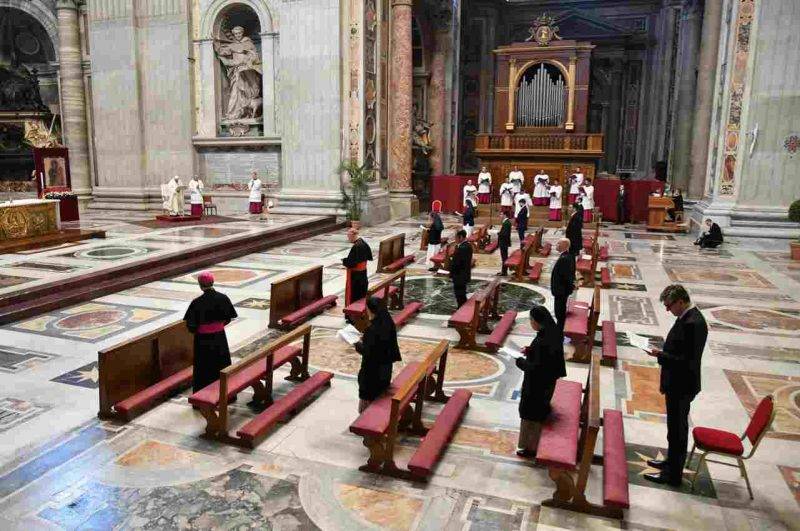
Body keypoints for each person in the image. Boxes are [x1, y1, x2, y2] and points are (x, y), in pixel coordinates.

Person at [644, 285, 708, 487]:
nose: (667, 310)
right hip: (677, 382)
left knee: (678, 431)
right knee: (673, 429)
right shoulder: (687, 317)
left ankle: (673, 476)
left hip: (682, 385)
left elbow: (686, 361)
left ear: (681, 301)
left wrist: (660, 355)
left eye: (669, 305)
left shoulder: (693, 323)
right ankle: (670, 462)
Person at [514, 305, 567, 457]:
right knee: (539, 409)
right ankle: (531, 445)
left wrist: (520, 362)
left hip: (537, 385)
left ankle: (529, 448)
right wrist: (530, 350)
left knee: (530, 414)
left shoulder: (543, 340)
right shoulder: (552, 332)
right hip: (547, 381)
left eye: (531, 320)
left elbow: (535, 368)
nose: (530, 322)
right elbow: (545, 356)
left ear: (537, 321)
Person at [183, 271, 238, 393]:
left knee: (204, 367)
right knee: (221, 364)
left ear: (200, 285)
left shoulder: (197, 302)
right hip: (220, 338)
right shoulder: (223, 298)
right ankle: (225, 394)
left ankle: (203, 395)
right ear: (213, 282)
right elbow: (229, 317)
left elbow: (191, 326)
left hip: (203, 341)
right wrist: (217, 326)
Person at [354, 296, 402, 412]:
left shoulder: (372, 329)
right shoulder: (388, 323)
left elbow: (368, 352)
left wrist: (357, 344)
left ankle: (365, 420)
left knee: (366, 408)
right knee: (380, 393)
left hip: (371, 375)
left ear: (370, 310)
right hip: (385, 370)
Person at [342, 228, 373, 307]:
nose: (348, 238)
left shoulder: (357, 246)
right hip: (363, 273)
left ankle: (352, 310)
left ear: (352, 235)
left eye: (348, 236)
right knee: (361, 292)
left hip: (355, 275)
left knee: (355, 294)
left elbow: (351, 263)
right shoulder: (363, 243)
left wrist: (344, 261)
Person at [550, 238, 575, 333]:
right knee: (560, 311)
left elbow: (566, 277)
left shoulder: (564, 259)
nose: (557, 245)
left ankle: (559, 331)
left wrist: (570, 287)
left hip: (560, 291)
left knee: (559, 312)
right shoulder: (569, 256)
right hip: (563, 290)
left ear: (564, 245)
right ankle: (559, 328)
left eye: (558, 243)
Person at [449, 229, 473, 307]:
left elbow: (456, 264)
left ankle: (461, 310)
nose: (455, 239)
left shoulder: (462, 248)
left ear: (461, 237)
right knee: (462, 294)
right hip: (464, 274)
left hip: (459, 276)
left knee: (460, 295)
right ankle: (462, 308)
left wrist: (451, 274)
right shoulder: (468, 245)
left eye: (456, 237)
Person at [497, 209, 512, 276]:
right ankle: (503, 271)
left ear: (505, 215)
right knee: (504, 257)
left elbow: (505, 234)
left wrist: (499, 233)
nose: (500, 215)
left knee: (504, 257)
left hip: (504, 242)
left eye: (501, 214)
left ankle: (504, 272)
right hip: (504, 242)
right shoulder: (506, 222)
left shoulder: (506, 223)